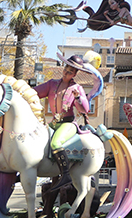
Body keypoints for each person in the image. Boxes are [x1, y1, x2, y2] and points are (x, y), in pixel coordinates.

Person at [33, 55, 94, 192]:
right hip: (53, 123)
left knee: (55, 143)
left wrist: (78, 97)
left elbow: (85, 109)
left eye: (71, 71)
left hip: (68, 124)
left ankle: (65, 175)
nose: (67, 72)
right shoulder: (51, 84)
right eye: (67, 68)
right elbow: (34, 93)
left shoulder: (77, 88)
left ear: (75, 74)